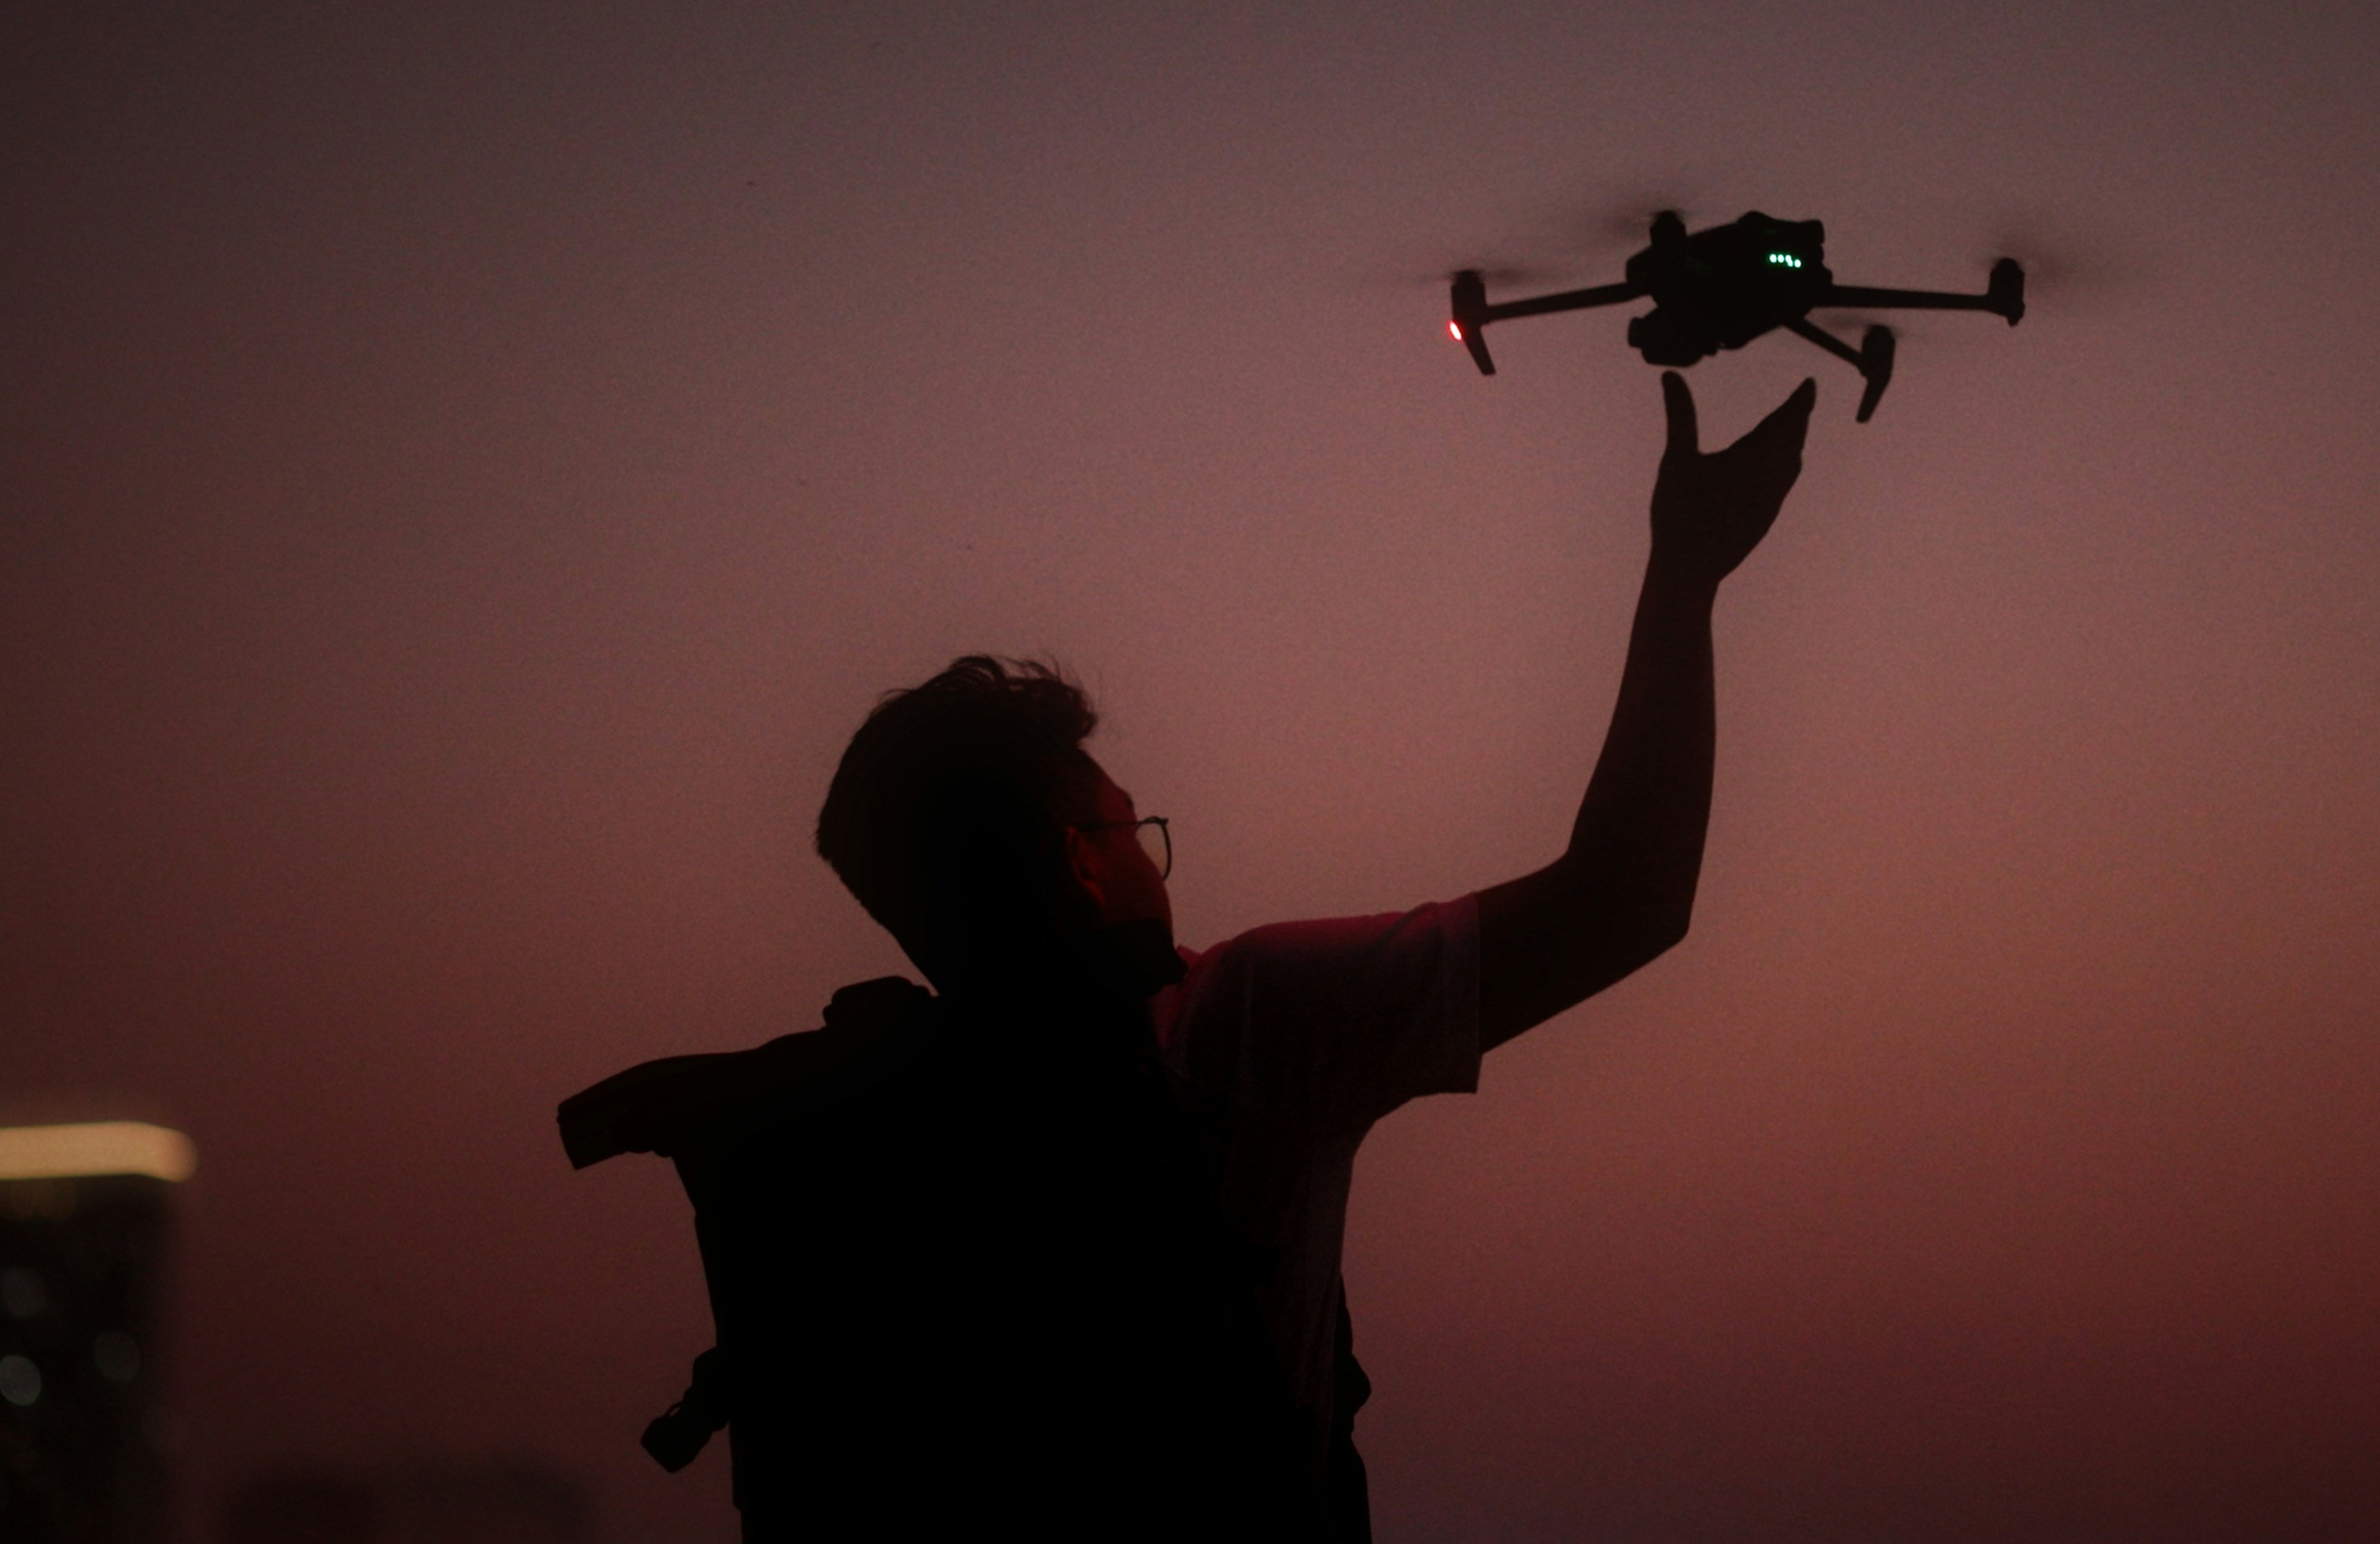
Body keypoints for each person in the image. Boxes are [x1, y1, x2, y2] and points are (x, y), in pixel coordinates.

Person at [561, 372, 1818, 1542]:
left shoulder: (843, 1129)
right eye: (1134, 826)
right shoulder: (1239, 1028)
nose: (1157, 859)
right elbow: (1628, 899)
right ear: (1079, 861)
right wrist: (1687, 572)